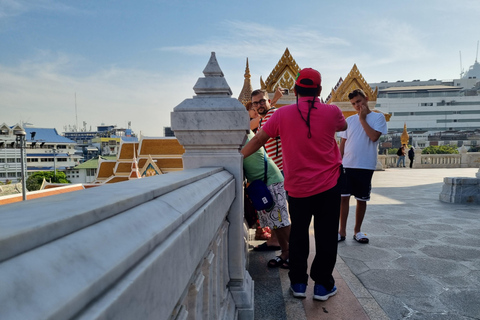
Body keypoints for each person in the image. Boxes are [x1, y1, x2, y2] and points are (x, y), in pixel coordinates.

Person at [242, 68, 347, 301]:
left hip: (298, 189)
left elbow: (258, 140)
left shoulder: (281, 115)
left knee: (299, 234)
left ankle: (299, 284)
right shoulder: (332, 111)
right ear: (319, 90)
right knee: (326, 235)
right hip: (329, 186)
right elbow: (343, 127)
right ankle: (322, 285)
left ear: (297, 89)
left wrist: (235, 158)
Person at [338, 89, 388, 244]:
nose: (357, 105)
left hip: (365, 165)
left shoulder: (378, 117)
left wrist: (362, 119)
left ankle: (357, 231)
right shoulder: (349, 121)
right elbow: (343, 143)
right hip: (347, 164)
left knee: (361, 199)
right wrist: (338, 162)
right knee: (343, 198)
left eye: (359, 101)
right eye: (353, 104)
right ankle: (341, 232)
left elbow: (373, 137)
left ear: (366, 99)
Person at [243, 130, 291, 268]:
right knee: (276, 223)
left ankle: (297, 256)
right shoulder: (241, 133)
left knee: (282, 221)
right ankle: (285, 252)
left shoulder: (244, 135)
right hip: (263, 183)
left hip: (271, 180)